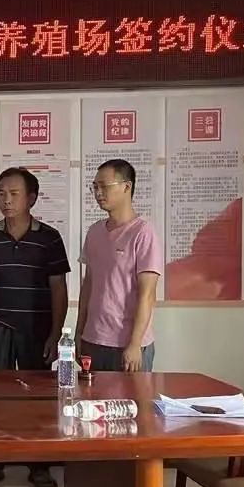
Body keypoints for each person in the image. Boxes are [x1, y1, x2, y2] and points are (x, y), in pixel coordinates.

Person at [0, 167, 70, 487]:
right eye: (1, 193)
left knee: (38, 399)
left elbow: (58, 288)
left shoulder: (49, 238)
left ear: (31, 198)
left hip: (36, 329)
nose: (6, 199)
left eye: (14, 193)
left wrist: (55, 334)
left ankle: (39, 464)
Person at [77, 158, 162, 372]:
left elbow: (147, 295)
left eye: (104, 186)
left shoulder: (143, 233)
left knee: (133, 395)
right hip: (94, 340)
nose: (98, 193)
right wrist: (79, 333)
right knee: (92, 395)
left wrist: (135, 343)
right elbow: (88, 287)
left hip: (128, 344)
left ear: (126, 187)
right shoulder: (94, 232)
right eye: (95, 187)